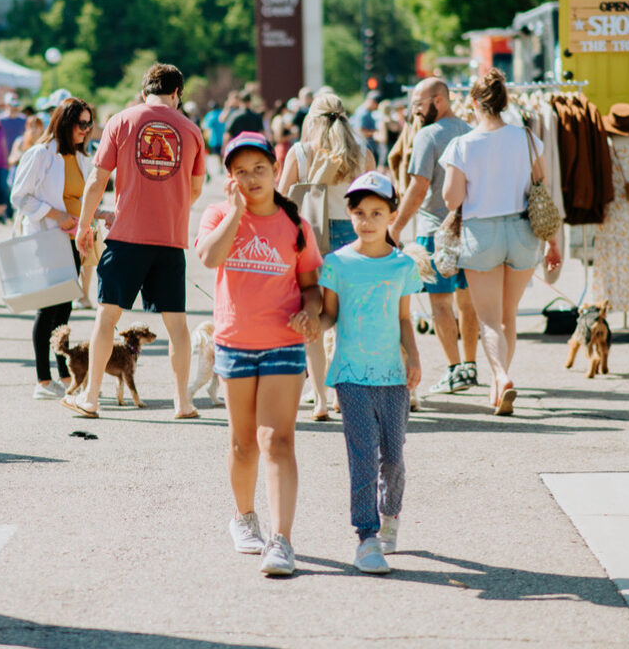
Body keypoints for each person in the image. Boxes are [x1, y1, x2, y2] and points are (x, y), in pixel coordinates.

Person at [196, 132, 323, 576]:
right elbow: (209, 258)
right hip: (234, 343)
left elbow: (312, 289)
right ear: (229, 177)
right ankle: (243, 516)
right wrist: (235, 212)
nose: (251, 179)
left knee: (278, 440)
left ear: (275, 170)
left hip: (283, 344)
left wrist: (310, 314)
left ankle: (281, 539)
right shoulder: (217, 213)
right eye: (240, 171)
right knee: (242, 442)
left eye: (260, 169)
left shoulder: (296, 225)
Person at [71, 62, 207, 419]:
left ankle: (91, 397)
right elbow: (195, 189)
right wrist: (170, 206)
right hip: (170, 239)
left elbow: (97, 180)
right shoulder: (191, 131)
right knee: (177, 322)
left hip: (126, 237)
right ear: (177, 93)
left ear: (145, 88)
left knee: (106, 317)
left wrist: (83, 226)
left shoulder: (120, 120)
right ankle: (182, 402)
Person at [319, 170, 422, 576]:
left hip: (393, 377)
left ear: (392, 214)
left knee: (393, 458)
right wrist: (309, 323)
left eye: (377, 212)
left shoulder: (402, 266)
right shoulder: (337, 264)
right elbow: (328, 314)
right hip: (350, 374)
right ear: (350, 215)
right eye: (359, 212)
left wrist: (413, 358)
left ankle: (389, 514)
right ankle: (366, 535)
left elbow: (404, 319)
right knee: (363, 457)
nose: (367, 220)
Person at [441, 69, 561, 415]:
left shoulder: (461, 145)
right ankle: (498, 386)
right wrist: (552, 241)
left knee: (489, 319)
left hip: (482, 233)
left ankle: (501, 376)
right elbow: (542, 190)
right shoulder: (526, 138)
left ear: (475, 103)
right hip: (523, 231)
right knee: (509, 316)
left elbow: (452, 199)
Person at [276, 93, 375, 420]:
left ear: (311, 119)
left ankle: (319, 399)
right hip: (353, 241)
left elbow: (279, 199)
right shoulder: (363, 154)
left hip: (311, 240)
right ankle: (342, 395)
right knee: (348, 322)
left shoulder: (300, 153)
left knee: (314, 319)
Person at [11, 98, 108, 399]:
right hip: (47, 239)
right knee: (49, 307)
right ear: (66, 123)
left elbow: (82, 199)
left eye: (90, 123)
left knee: (64, 308)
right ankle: (43, 380)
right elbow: (19, 197)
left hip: (73, 241)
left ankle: (64, 374)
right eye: (82, 123)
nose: (87, 129)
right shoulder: (41, 154)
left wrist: (99, 214)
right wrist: (58, 216)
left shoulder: (81, 156)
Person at [391, 77, 480, 395]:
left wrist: (396, 227)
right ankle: (470, 365)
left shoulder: (428, 136)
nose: (415, 111)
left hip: (434, 231)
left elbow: (418, 187)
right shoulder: (471, 132)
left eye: (419, 103)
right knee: (467, 302)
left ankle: (455, 368)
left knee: (440, 303)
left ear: (438, 101)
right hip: (468, 229)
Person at [0, 92, 28, 159]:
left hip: (19, 157)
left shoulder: (24, 120)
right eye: (12, 105)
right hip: (3, 158)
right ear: (6, 105)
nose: (15, 107)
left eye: (16, 105)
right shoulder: (0, 120)